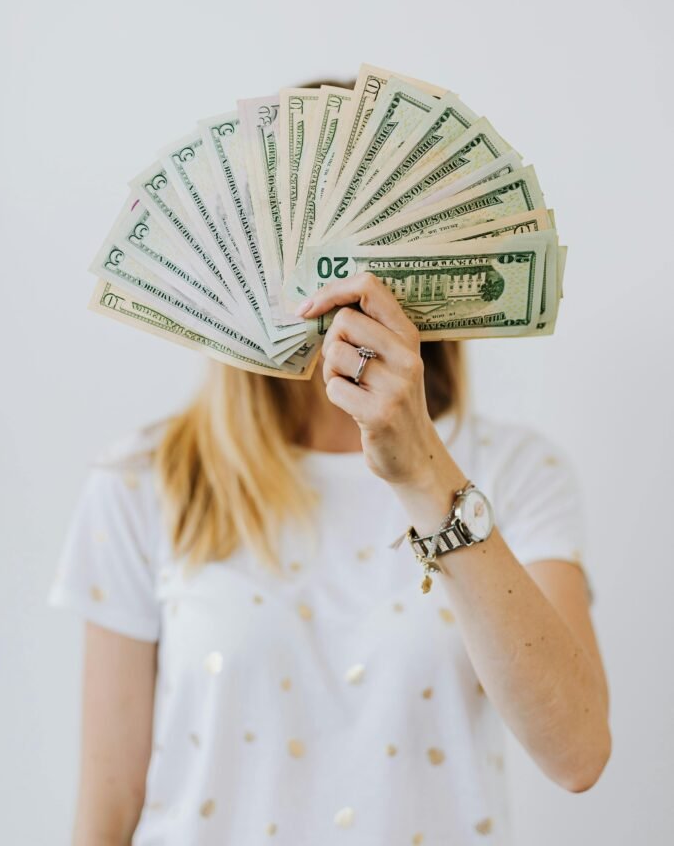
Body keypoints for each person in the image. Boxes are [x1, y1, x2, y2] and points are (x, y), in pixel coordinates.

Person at [49, 205, 610, 846]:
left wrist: (423, 473)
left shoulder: (515, 470)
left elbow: (579, 752)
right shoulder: (144, 480)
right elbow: (108, 810)